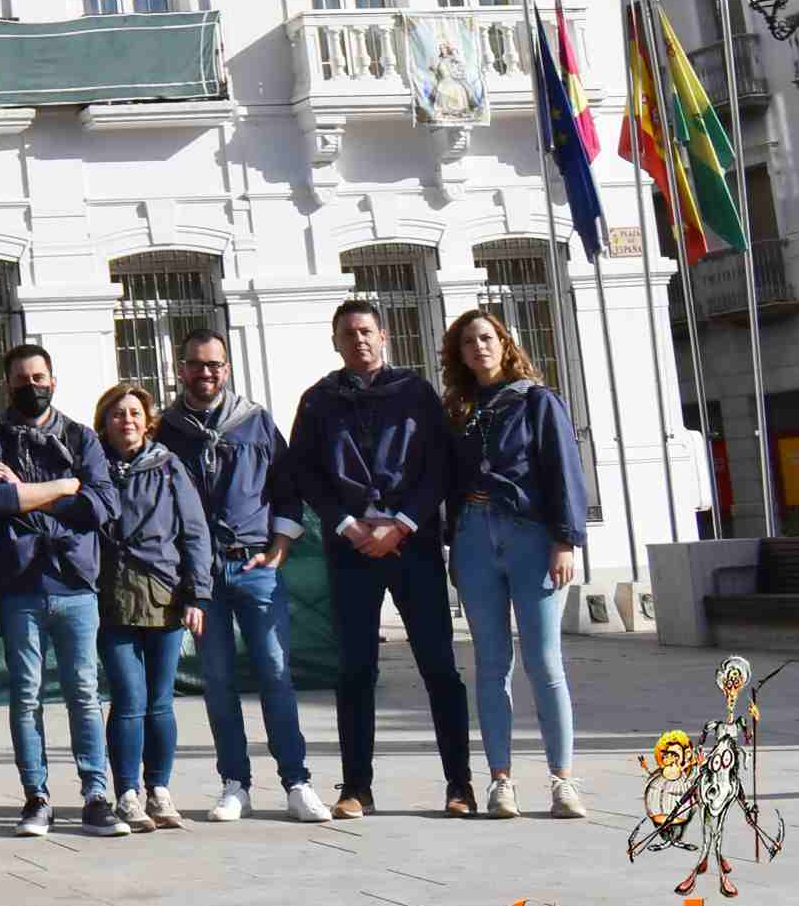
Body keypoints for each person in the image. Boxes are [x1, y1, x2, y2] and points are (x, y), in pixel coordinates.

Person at [289, 299, 474, 820]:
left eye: (367, 331)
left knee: (439, 666)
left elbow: (439, 465)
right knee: (354, 670)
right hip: (351, 550)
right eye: (348, 334)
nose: (359, 341)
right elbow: (305, 473)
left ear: (384, 336)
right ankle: (356, 787)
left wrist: (404, 523)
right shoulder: (318, 401)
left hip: (412, 547)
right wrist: (348, 525)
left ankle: (459, 785)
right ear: (336, 342)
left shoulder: (415, 394)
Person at [156, 329, 330, 823]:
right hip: (201, 575)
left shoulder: (254, 423)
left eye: (213, 365)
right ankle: (235, 784)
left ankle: (297, 782)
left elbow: (287, 488)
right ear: (181, 369)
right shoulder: (166, 430)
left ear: (226, 369)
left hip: (255, 567)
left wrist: (278, 548)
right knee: (217, 679)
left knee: (276, 672)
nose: (204, 373)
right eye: (195, 364)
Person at [442, 307, 589, 820]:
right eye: (468, 342)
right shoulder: (458, 410)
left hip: (531, 537)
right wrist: (452, 543)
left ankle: (562, 781)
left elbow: (564, 469)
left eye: (487, 338)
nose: (478, 347)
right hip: (473, 537)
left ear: (505, 343)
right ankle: (500, 780)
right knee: (490, 664)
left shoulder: (538, 401)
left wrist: (566, 540)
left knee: (544, 662)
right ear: (458, 355)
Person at [0, 344, 124, 839]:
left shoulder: (81, 436)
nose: (31, 386)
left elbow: (101, 505)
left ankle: (96, 795)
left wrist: (29, 495)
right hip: (19, 584)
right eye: (21, 378)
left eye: (39, 377)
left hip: (76, 582)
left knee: (83, 691)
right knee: (26, 695)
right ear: (7, 385)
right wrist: (64, 485)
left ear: (53, 381)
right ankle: (36, 796)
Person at [92, 383, 211, 834]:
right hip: (111, 597)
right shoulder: (93, 467)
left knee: (160, 701)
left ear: (148, 420)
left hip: (164, 593)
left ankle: (159, 788)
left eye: (135, 413)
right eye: (118, 413)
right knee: (128, 697)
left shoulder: (167, 466)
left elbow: (195, 532)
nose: (127, 421)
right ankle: (126, 792)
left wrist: (197, 595)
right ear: (104, 420)